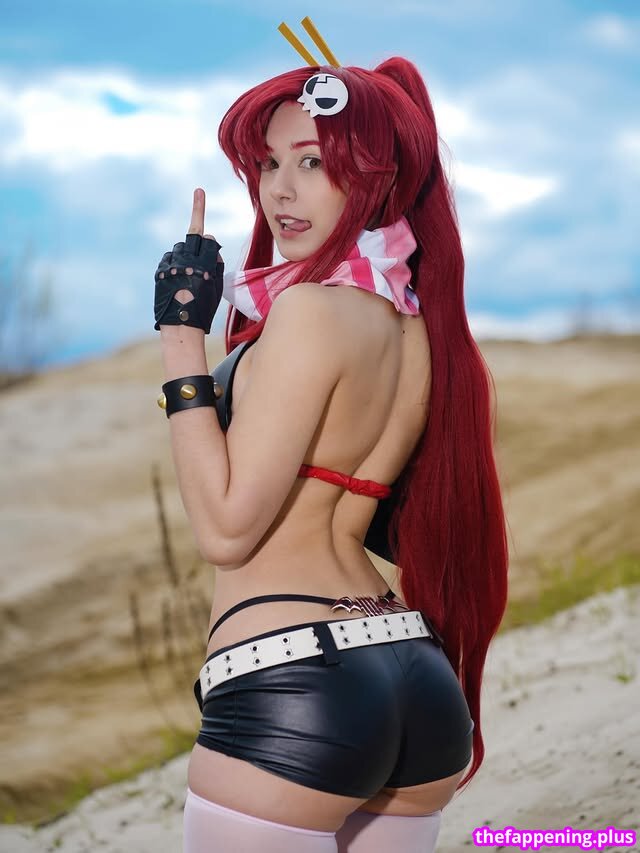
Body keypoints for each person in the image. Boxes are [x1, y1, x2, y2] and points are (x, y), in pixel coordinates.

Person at [153, 22, 508, 853]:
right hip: (415, 677)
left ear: (374, 177)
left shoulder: (308, 314)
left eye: (313, 162)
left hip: (292, 681)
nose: (281, 190)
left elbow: (227, 530)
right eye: (268, 163)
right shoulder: (418, 331)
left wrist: (180, 336)